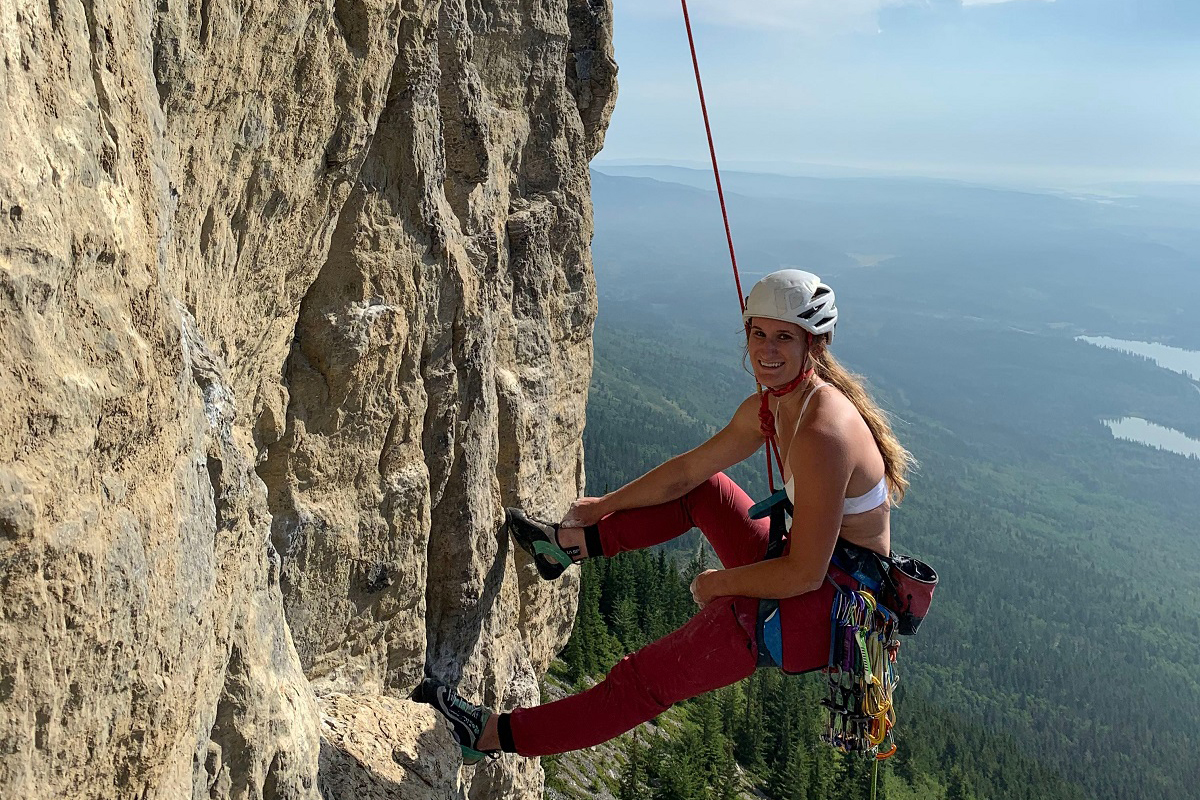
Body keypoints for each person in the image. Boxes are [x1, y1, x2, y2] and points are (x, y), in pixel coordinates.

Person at [413, 269, 914, 764]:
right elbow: (689, 472)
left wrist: (718, 585)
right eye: (758, 333)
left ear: (815, 344)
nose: (766, 349)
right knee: (707, 489)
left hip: (824, 602)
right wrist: (603, 507)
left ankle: (485, 736)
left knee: (642, 681)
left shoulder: (823, 433)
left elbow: (803, 575)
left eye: (784, 337)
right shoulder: (777, 404)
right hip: (807, 566)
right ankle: (567, 546)